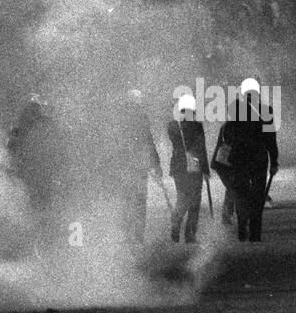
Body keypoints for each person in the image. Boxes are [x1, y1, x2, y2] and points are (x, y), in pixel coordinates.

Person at [211, 78, 278, 242]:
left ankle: (242, 225)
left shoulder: (234, 109)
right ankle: (255, 233)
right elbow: (271, 139)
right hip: (259, 160)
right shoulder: (266, 110)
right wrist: (274, 161)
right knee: (257, 196)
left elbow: (230, 134)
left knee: (241, 195)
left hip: (239, 160)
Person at [116, 90, 161, 244]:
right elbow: (149, 141)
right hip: (139, 165)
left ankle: (128, 235)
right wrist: (156, 164)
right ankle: (137, 237)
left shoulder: (120, 119)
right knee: (140, 201)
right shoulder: (142, 117)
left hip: (127, 166)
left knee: (128, 200)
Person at [167, 93, 208, 243]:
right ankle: (190, 234)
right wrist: (206, 170)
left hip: (178, 167)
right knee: (195, 200)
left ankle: (176, 221)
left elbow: (175, 139)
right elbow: (201, 148)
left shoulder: (173, 125)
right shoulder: (196, 125)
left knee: (182, 197)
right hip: (194, 166)